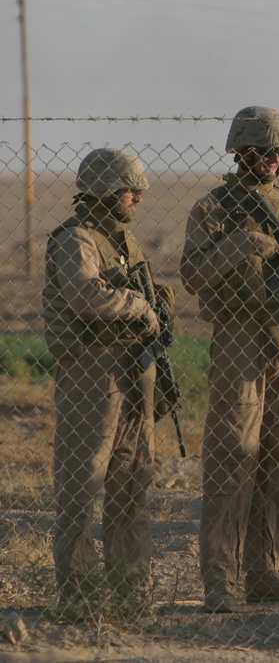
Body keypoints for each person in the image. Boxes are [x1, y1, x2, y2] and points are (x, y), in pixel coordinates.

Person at [180, 106, 279, 613]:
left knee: (274, 465)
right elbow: (194, 276)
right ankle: (220, 579)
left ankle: (264, 573)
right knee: (230, 460)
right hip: (239, 337)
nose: (273, 162)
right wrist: (240, 245)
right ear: (241, 152)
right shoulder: (214, 209)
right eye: (264, 153)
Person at [43, 148, 167, 621]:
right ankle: (77, 593)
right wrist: (138, 306)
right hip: (90, 373)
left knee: (132, 484)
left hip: (131, 372)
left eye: (135, 192)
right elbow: (83, 295)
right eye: (127, 191)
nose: (136, 199)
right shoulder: (77, 239)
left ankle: (128, 589)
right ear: (103, 192)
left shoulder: (123, 242)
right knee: (81, 484)